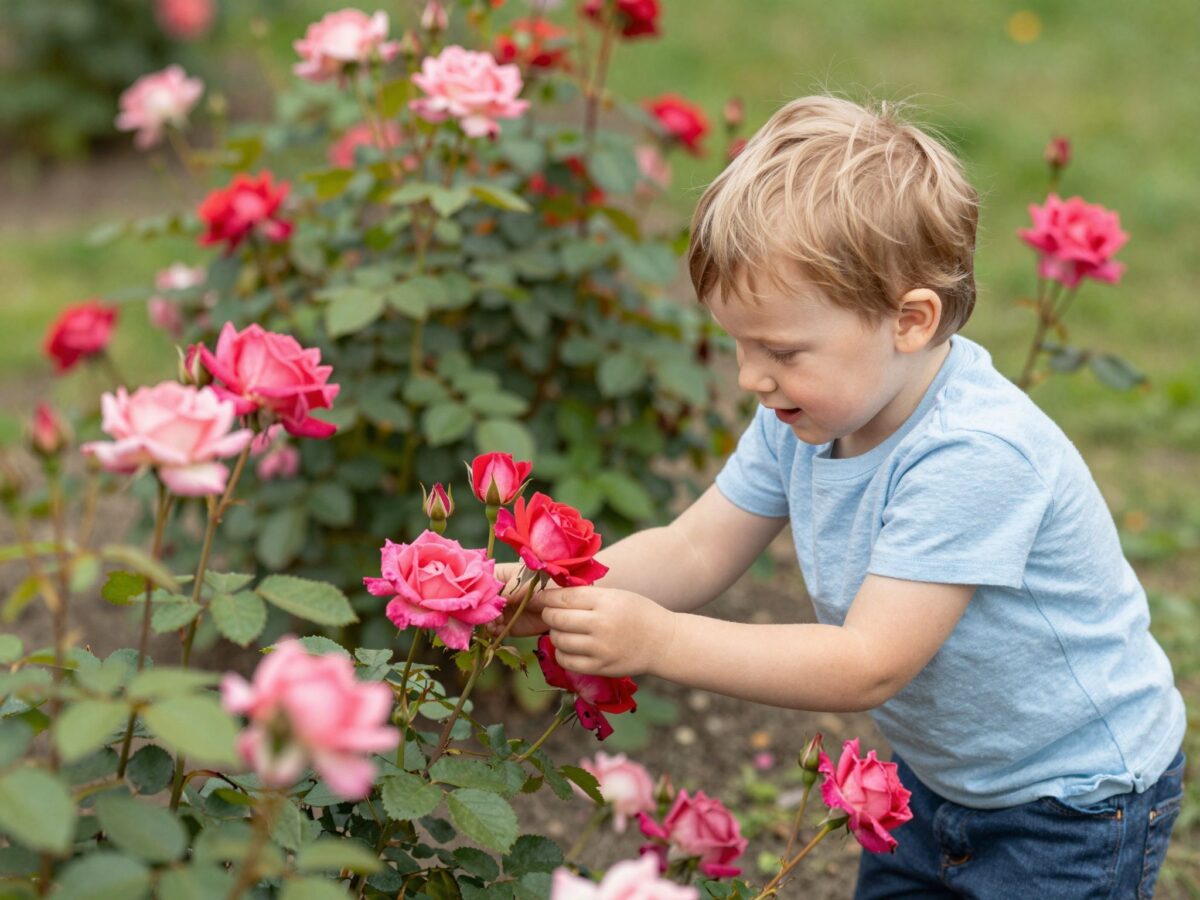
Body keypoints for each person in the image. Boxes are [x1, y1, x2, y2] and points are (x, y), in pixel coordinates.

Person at [495, 96, 1186, 897]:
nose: (751, 378)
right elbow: (695, 546)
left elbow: (867, 665)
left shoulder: (973, 454)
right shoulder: (805, 416)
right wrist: (561, 589)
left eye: (782, 351)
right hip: (937, 776)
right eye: (739, 345)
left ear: (910, 321)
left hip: (1072, 801)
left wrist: (658, 641)